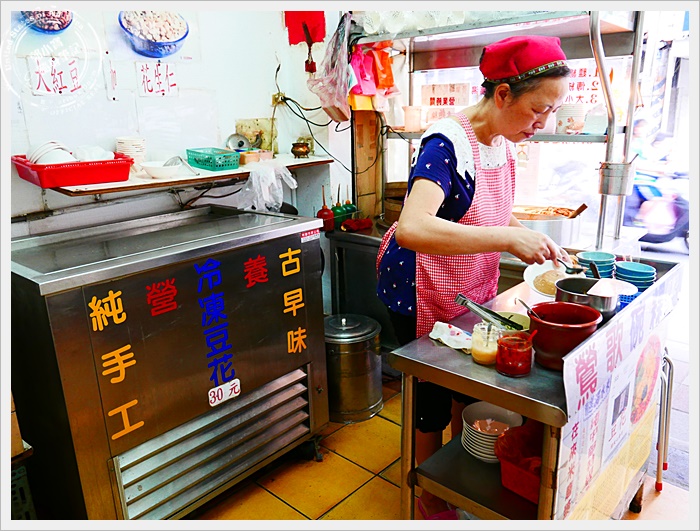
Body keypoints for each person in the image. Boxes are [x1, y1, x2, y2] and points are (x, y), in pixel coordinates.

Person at [375, 35, 572, 520]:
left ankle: (457, 471)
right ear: (502, 94)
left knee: (465, 385)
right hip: (419, 284)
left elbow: (492, 212)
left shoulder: (500, 142)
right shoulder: (446, 144)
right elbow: (413, 227)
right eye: (538, 110)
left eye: (551, 111)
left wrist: (529, 236)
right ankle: (427, 494)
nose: (543, 123)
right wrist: (507, 238)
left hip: (468, 284)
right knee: (429, 397)